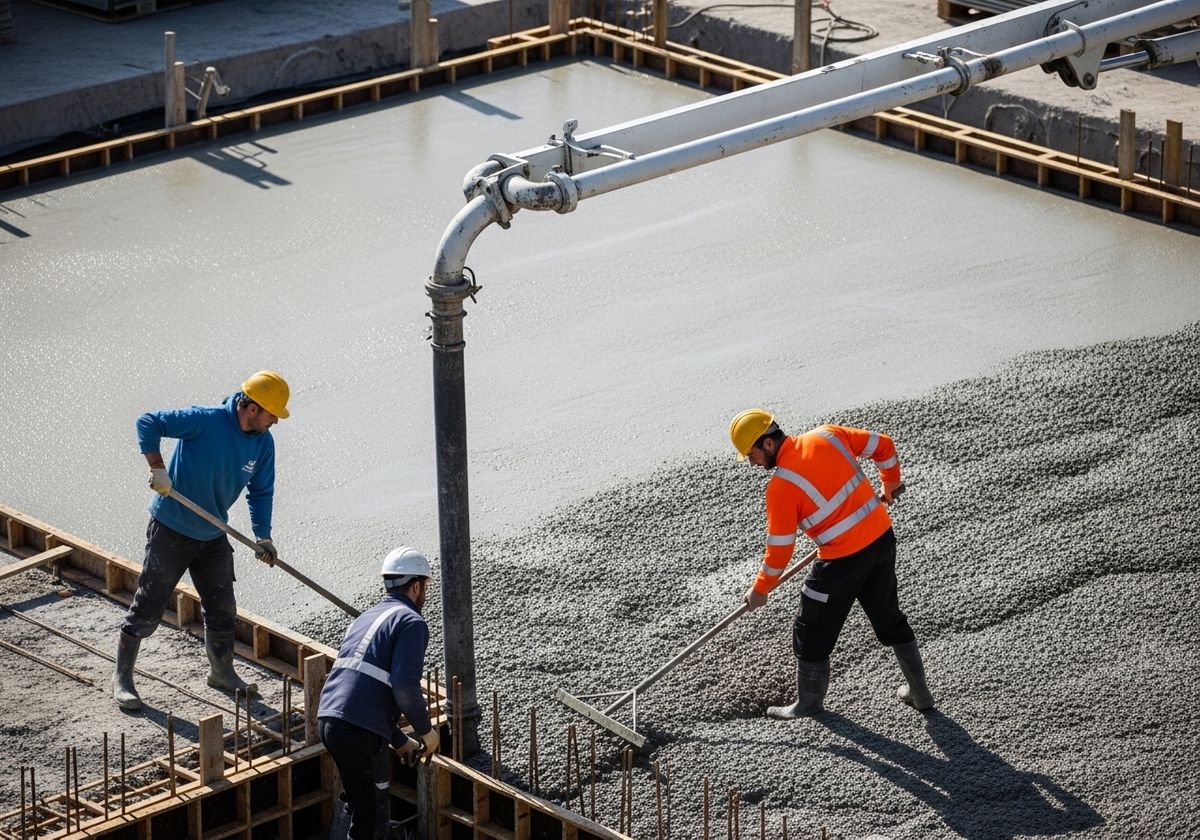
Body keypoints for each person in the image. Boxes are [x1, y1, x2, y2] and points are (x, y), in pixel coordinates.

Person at [729, 408, 934, 718]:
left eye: (751, 454)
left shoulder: (782, 486)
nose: (752, 462)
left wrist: (761, 589)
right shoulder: (828, 434)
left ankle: (808, 706)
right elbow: (884, 445)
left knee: (810, 629)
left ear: (768, 444)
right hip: (880, 540)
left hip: (842, 561)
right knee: (889, 617)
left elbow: (780, 549)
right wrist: (890, 482)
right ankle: (920, 692)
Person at [112, 371, 291, 711]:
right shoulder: (205, 421)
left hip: (212, 535)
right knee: (148, 607)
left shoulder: (264, 443)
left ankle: (221, 672)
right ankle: (123, 678)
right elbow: (148, 422)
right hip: (172, 528)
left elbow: (261, 491)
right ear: (252, 408)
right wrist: (157, 467)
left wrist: (263, 535)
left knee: (223, 608)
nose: (275, 422)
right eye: (272, 414)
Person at [318, 546, 440, 840]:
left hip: (331, 720)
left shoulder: (365, 618)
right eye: (425, 587)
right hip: (357, 730)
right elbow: (404, 685)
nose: (425, 594)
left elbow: (365, 685)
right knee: (371, 819)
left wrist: (398, 740)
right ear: (415, 586)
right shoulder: (411, 622)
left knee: (363, 806)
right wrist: (426, 731)